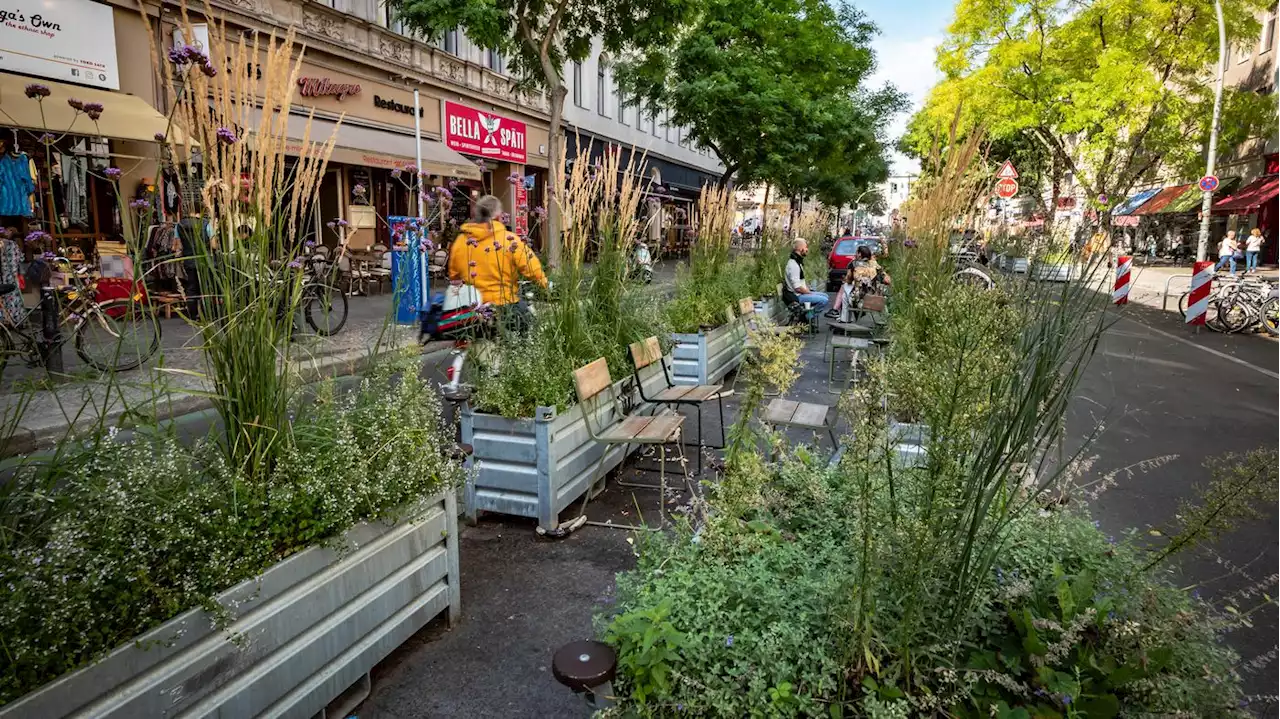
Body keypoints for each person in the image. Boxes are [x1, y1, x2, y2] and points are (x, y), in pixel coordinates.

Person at [448, 195, 549, 331]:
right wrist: (545, 286)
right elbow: (532, 269)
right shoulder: (509, 239)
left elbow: (454, 276)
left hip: (472, 309)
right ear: (498, 216)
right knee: (528, 328)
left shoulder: (461, 241)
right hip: (505, 305)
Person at [782, 238, 827, 311]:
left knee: (825, 296)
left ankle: (808, 316)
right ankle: (807, 317)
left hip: (801, 293)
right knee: (824, 300)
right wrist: (809, 293)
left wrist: (808, 291)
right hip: (797, 296)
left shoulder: (798, 262)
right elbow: (797, 288)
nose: (807, 249)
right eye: (805, 247)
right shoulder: (793, 265)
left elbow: (801, 282)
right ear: (800, 248)